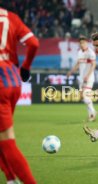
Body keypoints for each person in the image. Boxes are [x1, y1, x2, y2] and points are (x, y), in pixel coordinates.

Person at [0, 7, 39, 184]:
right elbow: (33, 43)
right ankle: (10, 180)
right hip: (12, 79)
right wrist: (25, 67)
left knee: (7, 139)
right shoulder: (11, 16)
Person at [67, 36, 97, 121]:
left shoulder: (91, 53)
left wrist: (87, 75)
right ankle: (92, 113)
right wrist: (71, 72)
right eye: (80, 43)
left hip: (89, 78)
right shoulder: (79, 52)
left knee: (85, 95)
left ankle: (93, 113)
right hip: (81, 78)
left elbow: (93, 65)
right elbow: (78, 64)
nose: (82, 44)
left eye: (83, 42)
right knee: (83, 97)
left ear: (87, 43)